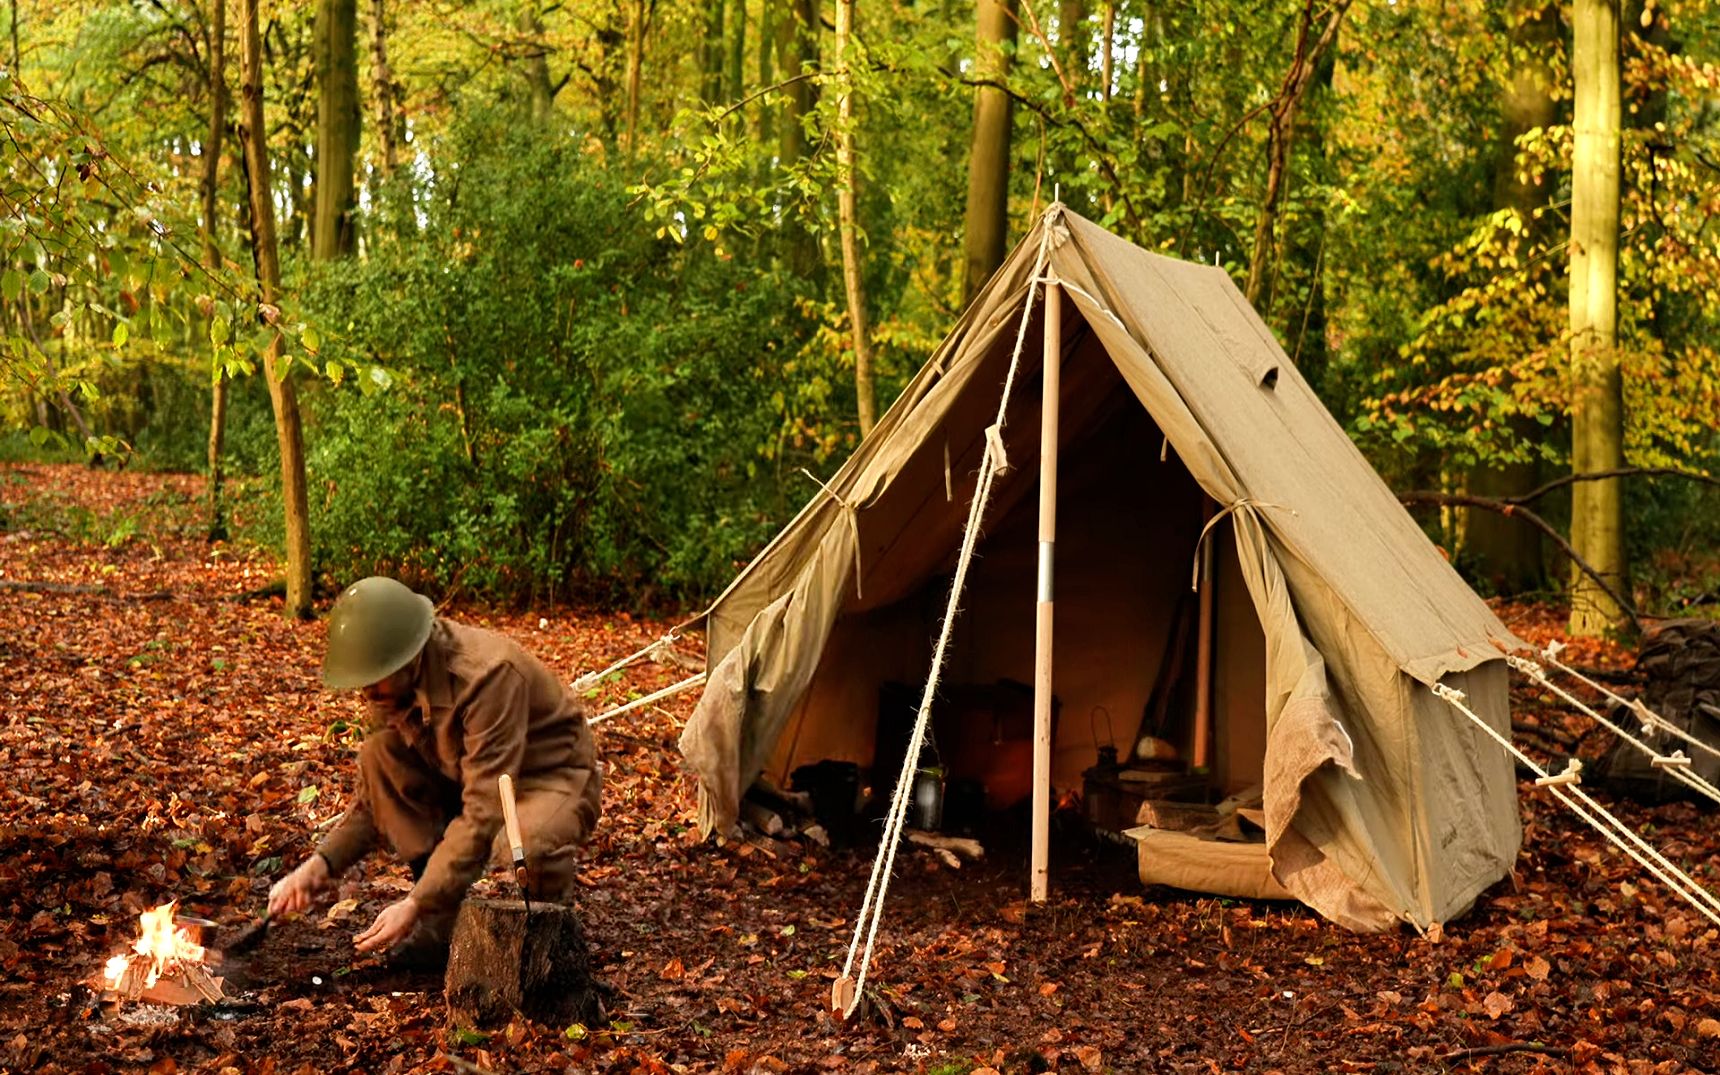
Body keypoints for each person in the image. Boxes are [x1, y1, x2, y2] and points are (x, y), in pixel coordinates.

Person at [267, 576, 602, 967]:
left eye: (374, 681)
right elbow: (372, 801)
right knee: (379, 756)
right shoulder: (391, 680)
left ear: (410, 658)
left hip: (549, 776)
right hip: (464, 771)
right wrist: (318, 866)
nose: (367, 694)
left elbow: (485, 808)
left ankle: (548, 945)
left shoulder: (488, 677)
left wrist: (414, 903)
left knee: (526, 839)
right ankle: (442, 924)